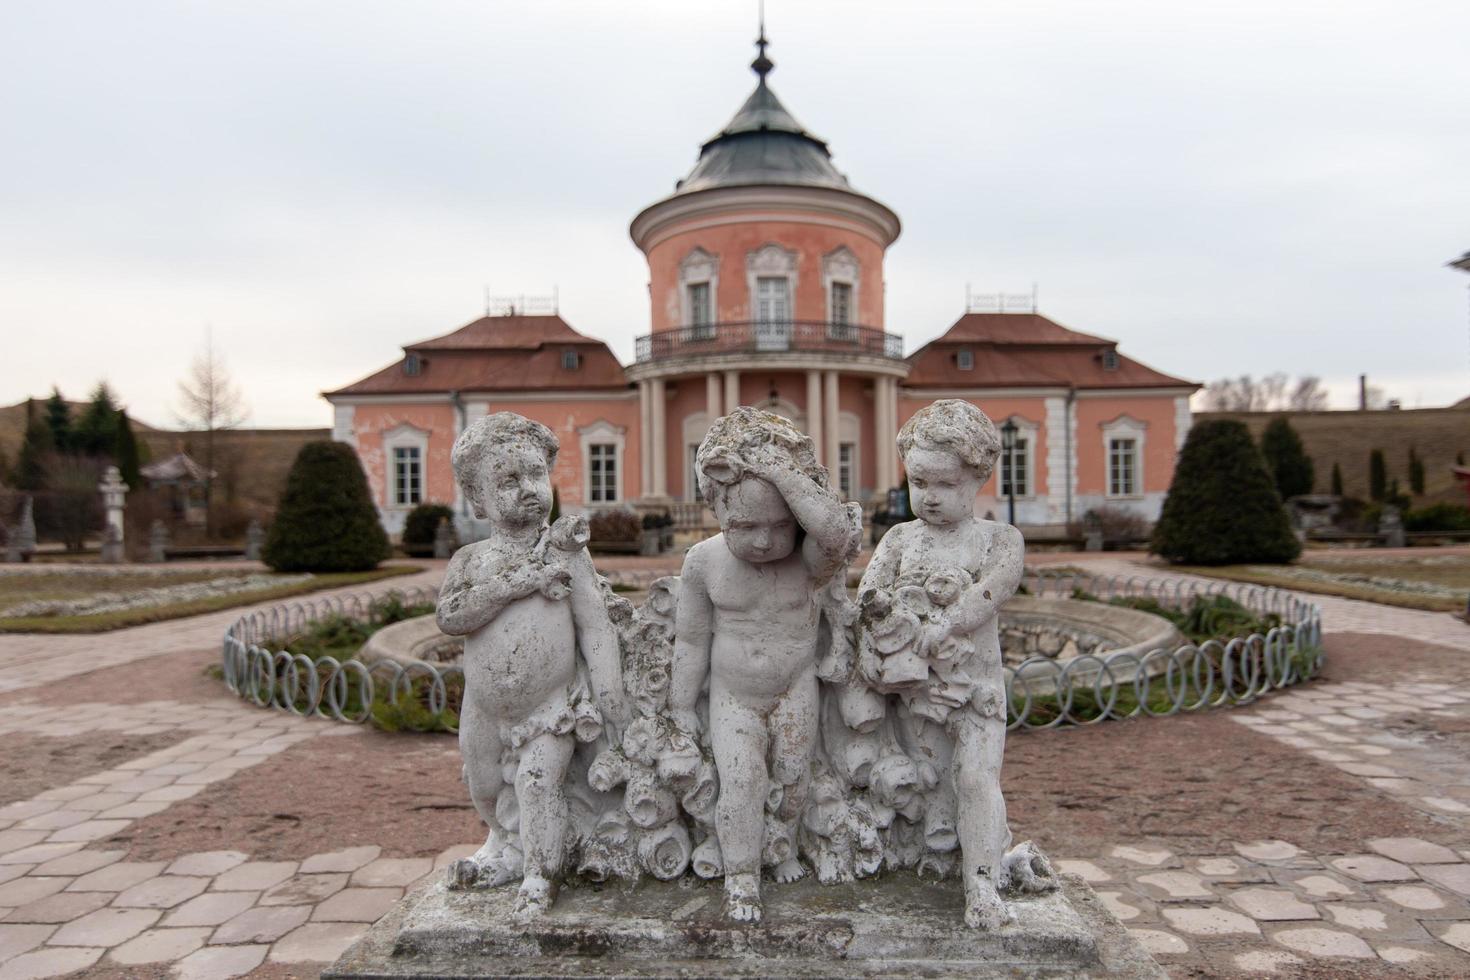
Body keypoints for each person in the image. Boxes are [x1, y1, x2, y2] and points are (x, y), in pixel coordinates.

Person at [436, 413, 628, 917]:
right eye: (507, 481)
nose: (527, 490)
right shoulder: (471, 561)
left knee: (539, 784)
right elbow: (450, 616)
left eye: (535, 475)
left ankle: (541, 876)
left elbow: (595, 626)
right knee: (482, 783)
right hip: (484, 708)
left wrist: (611, 697)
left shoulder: (564, 552)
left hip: (550, 706)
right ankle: (502, 845)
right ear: (478, 500)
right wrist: (510, 585)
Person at [669, 408, 855, 922]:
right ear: (718, 512)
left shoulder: (808, 560)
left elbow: (837, 535)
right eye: (744, 526)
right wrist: (681, 705)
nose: (763, 541)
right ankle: (743, 877)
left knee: (793, 780)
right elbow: (690, 641)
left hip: (794, 686)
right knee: (743, 781)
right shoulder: (704, 563)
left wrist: (781, 470)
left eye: (778, 526)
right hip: (733, 696)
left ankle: (783, 846)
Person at [857, 399, 1024, 930]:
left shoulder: (1000, 539)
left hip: (974, 689)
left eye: (944, 485)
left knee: (975, 779)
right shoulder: (899, 539)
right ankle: (923, 859)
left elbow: (988, 594)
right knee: (926, 783)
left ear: (978, 478)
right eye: (918, 482)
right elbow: (867, 597)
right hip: (911, 692)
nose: (927, 497)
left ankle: (982, 884)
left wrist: (944, 623)